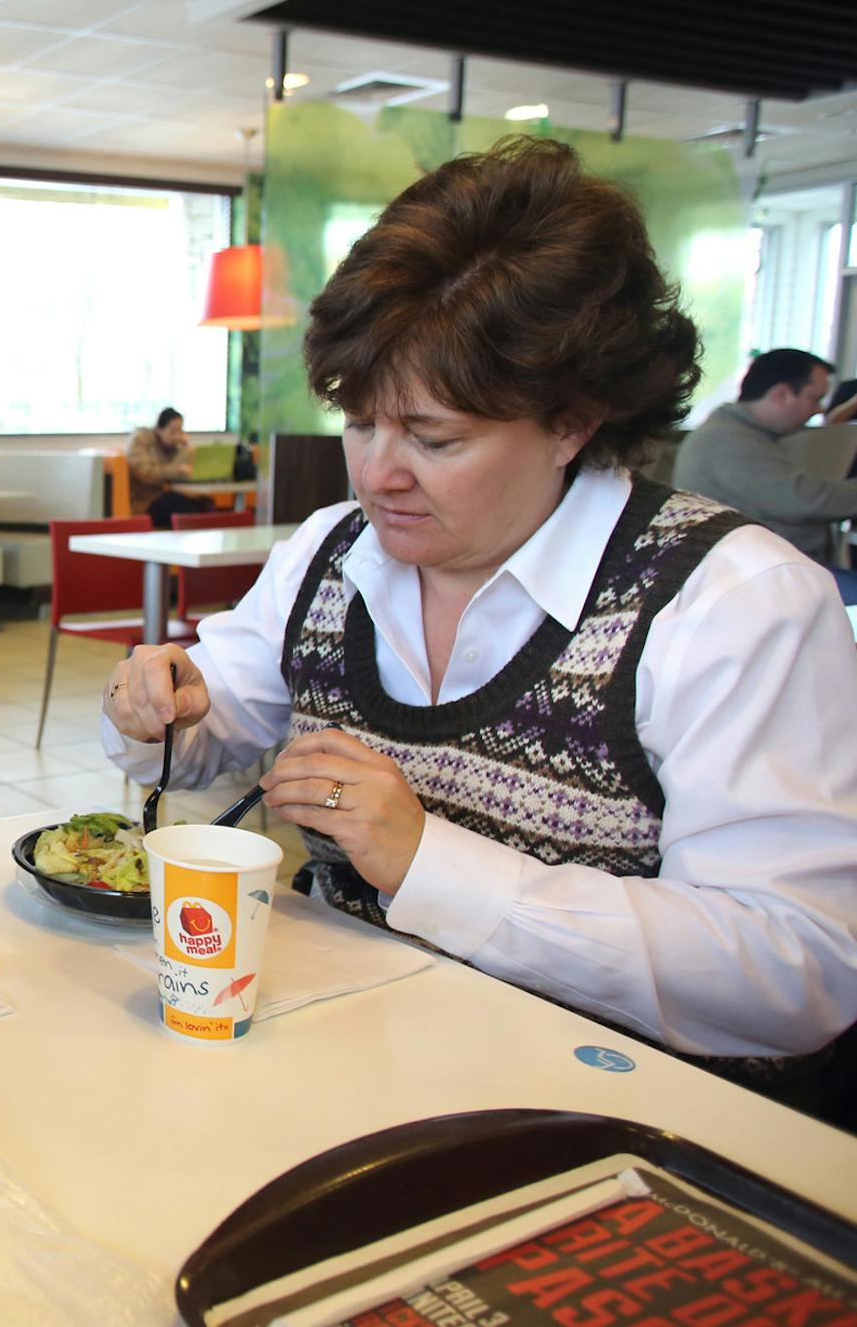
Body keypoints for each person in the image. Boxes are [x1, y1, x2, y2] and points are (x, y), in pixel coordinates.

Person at [99, 138, 857, 1094]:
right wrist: (164, 705)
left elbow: (796, 971)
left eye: (435, 437)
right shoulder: (333, 549)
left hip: (622, 1109)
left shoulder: (732, 603)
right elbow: (211, 732)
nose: (379, 473)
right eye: (363, 422)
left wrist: (429, 862)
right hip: (353, 1053)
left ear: (573, 420)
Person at [673, 347, 857, 602]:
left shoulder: (741, 433)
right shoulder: (726, 440)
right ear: (781, 395)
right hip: (755, 578)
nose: (818, 411)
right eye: (815, 399)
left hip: (765, 568)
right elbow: (805, 499)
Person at [125, 406, 212, 529]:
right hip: (144, 501)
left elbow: (183, 470)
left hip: (165, 495)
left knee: (205, 503)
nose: (177, 436)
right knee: (182, 506)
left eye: (180, 431)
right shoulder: (140, 441)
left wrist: (186, 450)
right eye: (173, 431)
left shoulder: (173, 446)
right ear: (159, 429)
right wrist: (177, 470)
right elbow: (146, 474)